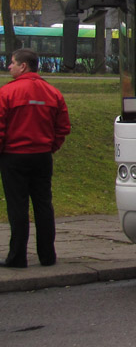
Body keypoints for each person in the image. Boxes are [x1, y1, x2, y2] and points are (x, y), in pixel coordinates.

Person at [0, 48, 71, 268]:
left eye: (12, 63)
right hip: (42, 156)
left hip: (14, 156)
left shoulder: (7, 93)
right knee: (43, 205)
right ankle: (47, 256)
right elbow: (63, 127)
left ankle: (17, 256)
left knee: (17, 207)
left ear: (23, 66)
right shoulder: (52, 93)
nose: (8, 66)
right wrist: (51, 147)